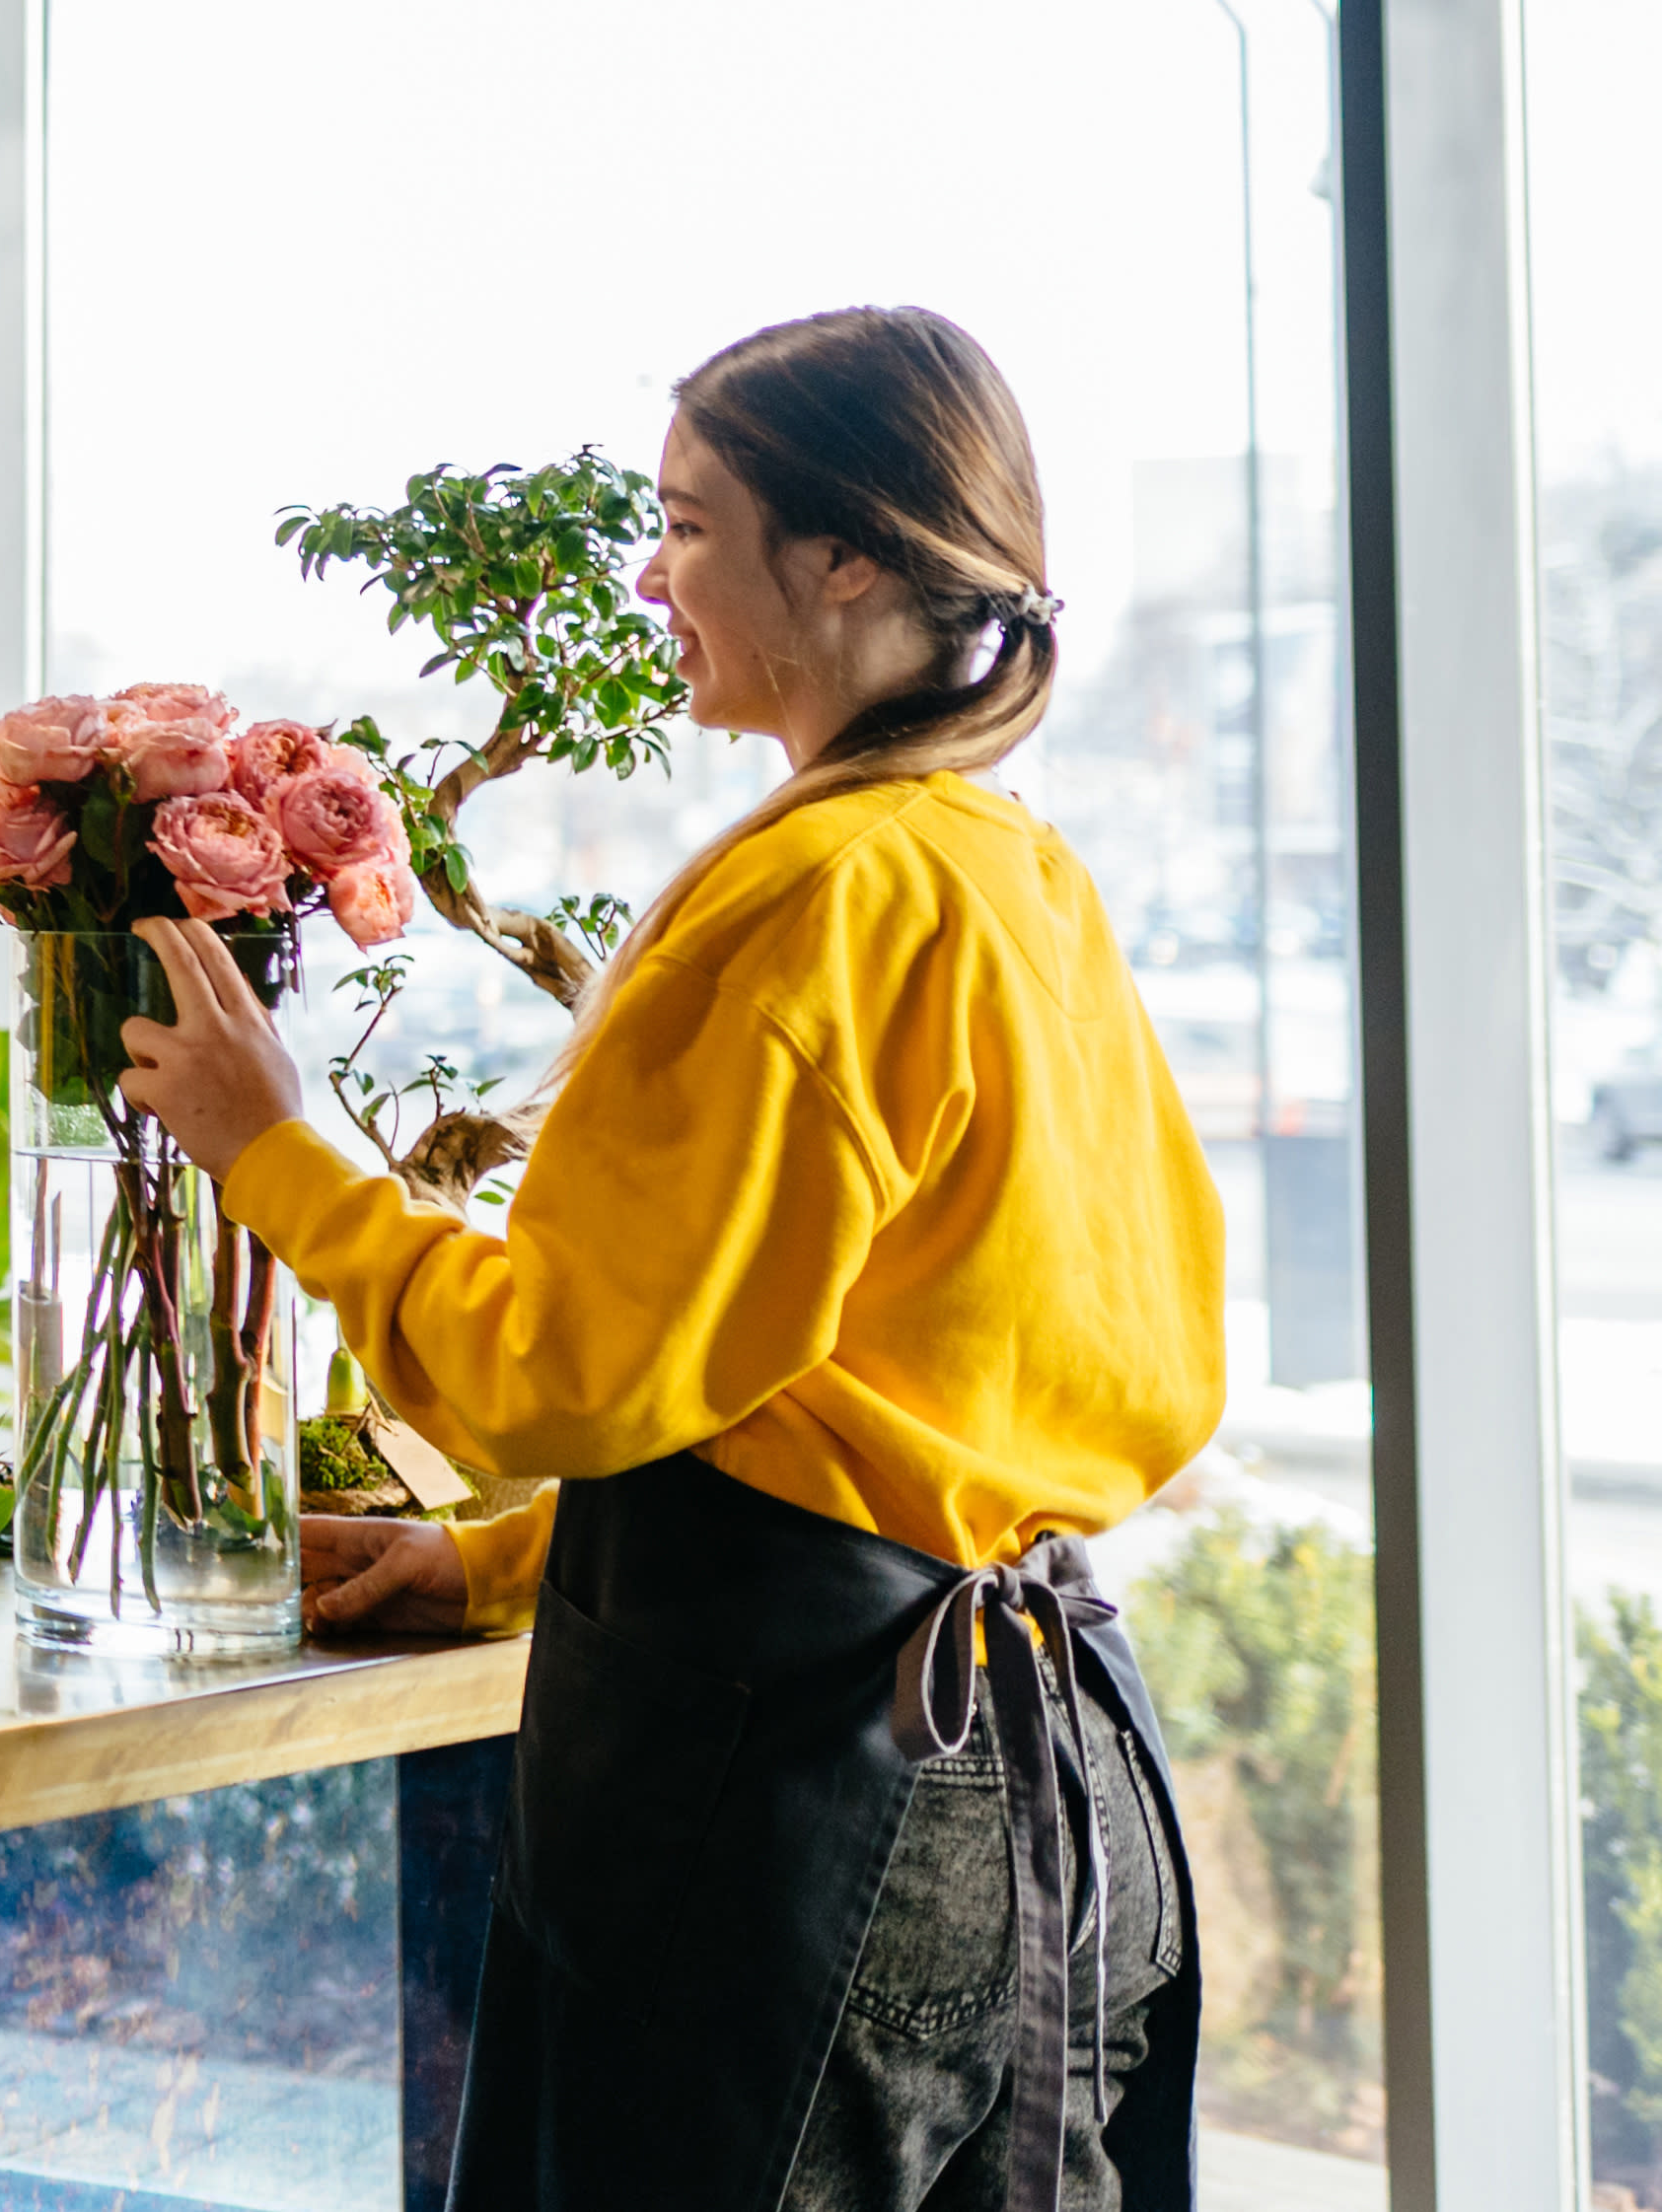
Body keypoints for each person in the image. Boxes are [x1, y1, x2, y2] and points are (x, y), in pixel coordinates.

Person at [113, 306, 1223, 2212]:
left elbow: (554, 1372)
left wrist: (269, 1148)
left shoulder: (816, 896)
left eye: (693, 523)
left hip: (802, 1816)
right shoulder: (1008, 869)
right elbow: (842, 1395)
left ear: (850, 555)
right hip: (1039, 1785)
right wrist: (496, 1564)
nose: (652, 574)